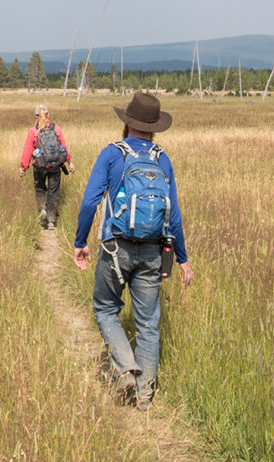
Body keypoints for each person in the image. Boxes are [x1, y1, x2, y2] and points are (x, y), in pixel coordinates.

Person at [72, 93, 194, 412]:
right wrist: (182, 260)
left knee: (105, 310)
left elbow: (89, 202)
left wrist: (80, 242)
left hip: (115, 247)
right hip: (154, 251)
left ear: (127, 122)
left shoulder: (112, 154)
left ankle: (125, 367)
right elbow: (175, 215)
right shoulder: (161, 159)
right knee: (148, 323)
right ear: (154, 128)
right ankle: (144, 397)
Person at [19, 105, 75, 230]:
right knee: (53, 193)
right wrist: (70, 162)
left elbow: (28, 151)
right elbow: (63, 148)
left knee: (40, 189)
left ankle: (43, 209)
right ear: (48, 115)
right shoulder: (56, 129)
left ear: (35, 116)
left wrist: (23, 167)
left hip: (39, 166)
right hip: (55, 166)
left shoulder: (33, 131)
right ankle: (51, 222)